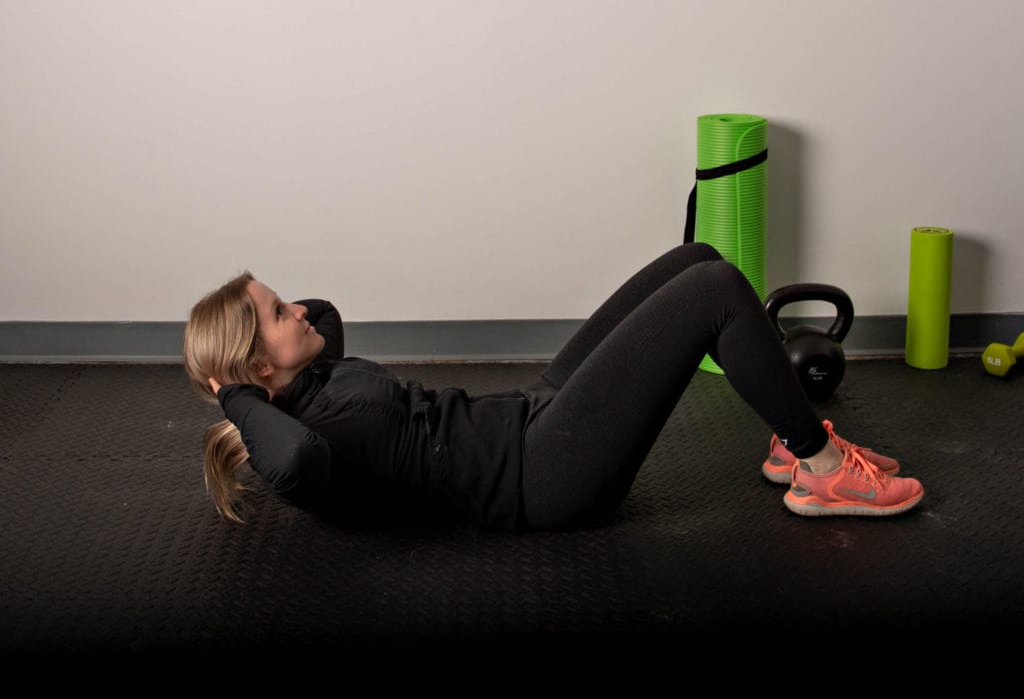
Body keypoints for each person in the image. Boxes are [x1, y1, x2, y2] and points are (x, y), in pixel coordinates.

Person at [182, 243, 923, 531]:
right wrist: (232, 394)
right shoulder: (303, 445)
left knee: (695, 259)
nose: (301, 310)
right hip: (542, 476)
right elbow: (294, 461)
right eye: (278, 313)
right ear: (255, 370)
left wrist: (254, 362)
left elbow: (326, 316)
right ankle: (819, 467)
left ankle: (788, 439)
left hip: (529, 412)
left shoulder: (308, 376)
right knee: (716, 290)